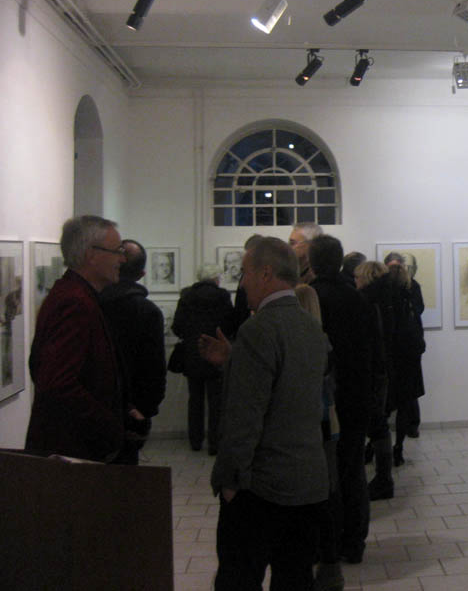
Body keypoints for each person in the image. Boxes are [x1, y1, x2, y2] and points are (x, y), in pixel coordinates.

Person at [209, 237, 330, 591]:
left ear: (265, 274)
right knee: (295, 579)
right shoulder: (312, 328)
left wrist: (230, 482)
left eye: (245, 273)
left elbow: (244, 417)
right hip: (307, 481)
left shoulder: (258, 329)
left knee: (238, 580)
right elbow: (291, 394)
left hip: (262, 487)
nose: (242, 283)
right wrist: (234, 360)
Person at [25, 215, 126, 461]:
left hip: (71, 447)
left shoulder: (74, 294)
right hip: (71, 453)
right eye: (117, 251)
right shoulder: (74, 302)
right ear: (91, 255)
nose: (122, 259)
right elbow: (57, 382)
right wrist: (109, 425)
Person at [311, 235, 375, 574]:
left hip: (321, 401)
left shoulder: (310, 298)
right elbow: (371, 352)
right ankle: (354, 542)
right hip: (355, 396)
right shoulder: (356, 298)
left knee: (323, 474)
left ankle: (328, 543)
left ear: (312, 261)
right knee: (352, 471)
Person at [99, 239, 167, 465]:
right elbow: (154, 368)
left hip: (96, 407)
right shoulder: (147, 311)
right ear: (142, 274)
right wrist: (146, 410)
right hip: (132, 412)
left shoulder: (93, 304)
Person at [172, 263, 235, 454]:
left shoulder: (187, 296)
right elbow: (230, 324)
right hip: (216, 351)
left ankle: (195, 441)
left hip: (193, 353)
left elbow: (177, 326)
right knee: (216, 401)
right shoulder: (223, 296)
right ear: (216, 278)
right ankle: (214, 443)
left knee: (195, 400)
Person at [355, 260, 394, 503]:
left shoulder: (366, 301)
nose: (355, 281)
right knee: (379, 424)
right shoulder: (388, 297)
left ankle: (383, 480)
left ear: (365, 277)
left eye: (357, 277)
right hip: (383, 368)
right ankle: (383, 478)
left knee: (377, 426)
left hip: (372, 371)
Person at [384, 251, 425, 440]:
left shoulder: (385, 288)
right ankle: (407, 428)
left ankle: (411, 425)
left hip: (398, 346)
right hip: (407, 346)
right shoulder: (411, 286)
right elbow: (419, 310)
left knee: (407, 389)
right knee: (408, 389)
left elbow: (419, 309)